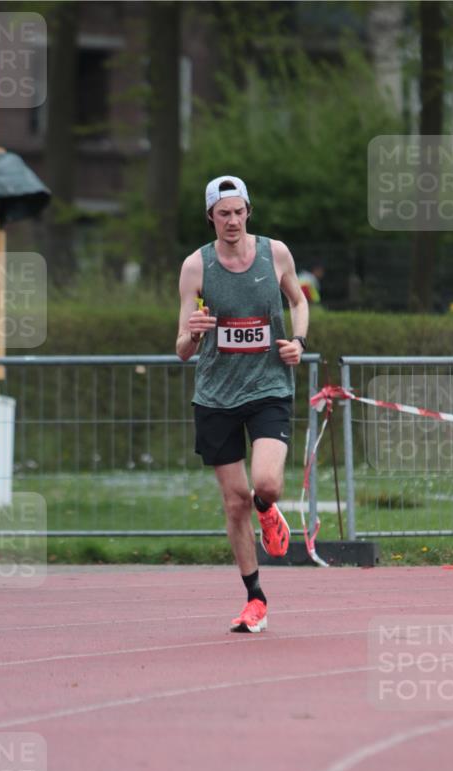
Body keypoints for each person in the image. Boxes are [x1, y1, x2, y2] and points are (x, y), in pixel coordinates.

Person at [176, 175, 310, 634]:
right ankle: (255, 598)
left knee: (265, 484)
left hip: (269, 387)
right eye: (223, 213)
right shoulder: (196, 267)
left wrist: (298, 341)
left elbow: (299, 300)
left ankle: (270, 511)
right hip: (215, 396)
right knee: (235, 503)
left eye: (238, 212)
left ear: (248, 212)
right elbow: (181, 348)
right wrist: (193, 332)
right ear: (210, 217)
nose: (232, 221)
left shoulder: (276, 253)